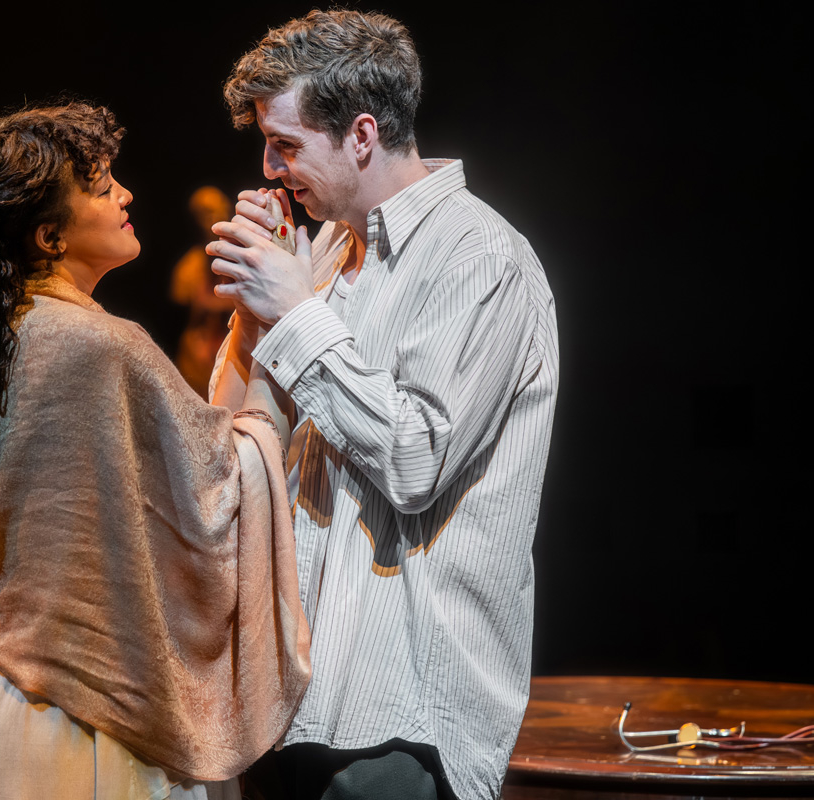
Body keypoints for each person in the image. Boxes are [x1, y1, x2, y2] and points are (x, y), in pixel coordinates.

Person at [206, 10, 560, 800]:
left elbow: (415, 460)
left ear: (362, 135)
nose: (268, 167)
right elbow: (236, 448)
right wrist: (257, 314)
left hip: (401, 722)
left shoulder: (481, 257)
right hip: (289, 706)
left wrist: (296, 314)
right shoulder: (324, 253)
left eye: (285, 144)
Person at [0, 102, 310, 800]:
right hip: (96, 717)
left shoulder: (15, 332)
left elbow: (198, 448)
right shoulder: (99, 346)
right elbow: (226, 482)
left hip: (19, 698)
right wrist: (286, 316)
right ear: (49, 236)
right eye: (101, 188)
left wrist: (249, 321)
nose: (126, 194)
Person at [171, 186, 237, 397]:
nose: (216, 216)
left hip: (234, 351)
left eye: (221, 208)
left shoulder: (241, 260)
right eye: (207, 213)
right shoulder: (189, 267)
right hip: (197, 358)